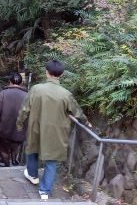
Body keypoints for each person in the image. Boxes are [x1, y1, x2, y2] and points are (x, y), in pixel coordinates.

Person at [17, 60, 87, 201]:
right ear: (61, 74)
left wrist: (19, 124)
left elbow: (24, 109)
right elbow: (77, 111)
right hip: (56, 132)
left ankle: (33, 176)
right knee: (51, 161)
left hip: (36, 128)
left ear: (46, 72)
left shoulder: (36, 89)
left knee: (32, 151)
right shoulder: (66, 94)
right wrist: (86, 121)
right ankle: (45, 191)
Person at [0, 72, 28, 167]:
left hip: (4, 127)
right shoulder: (27, 95)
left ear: (9, 81)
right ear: (21, 82)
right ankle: (14, 160)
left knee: (4, 148)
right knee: (16, 144)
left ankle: (7, 164)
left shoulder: (3, 93)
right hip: (20, 127)